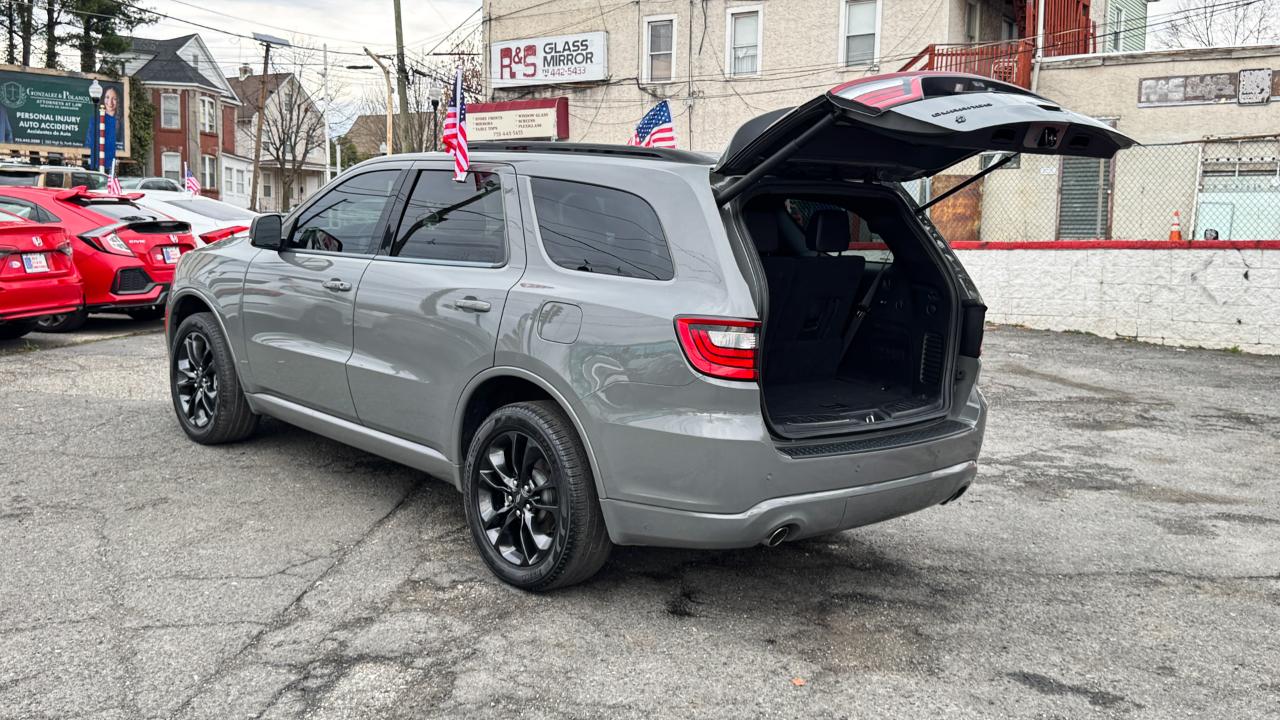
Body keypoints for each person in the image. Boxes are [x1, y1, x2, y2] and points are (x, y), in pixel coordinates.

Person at [83, 85, 119, 172]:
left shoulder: (120, 121)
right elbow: (89, 141)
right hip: (98, 161)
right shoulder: (95, 119)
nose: (110, 102)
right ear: (103, 99)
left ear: (118, 101)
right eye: (107, 97)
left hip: (111, 162)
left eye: (114, 98)